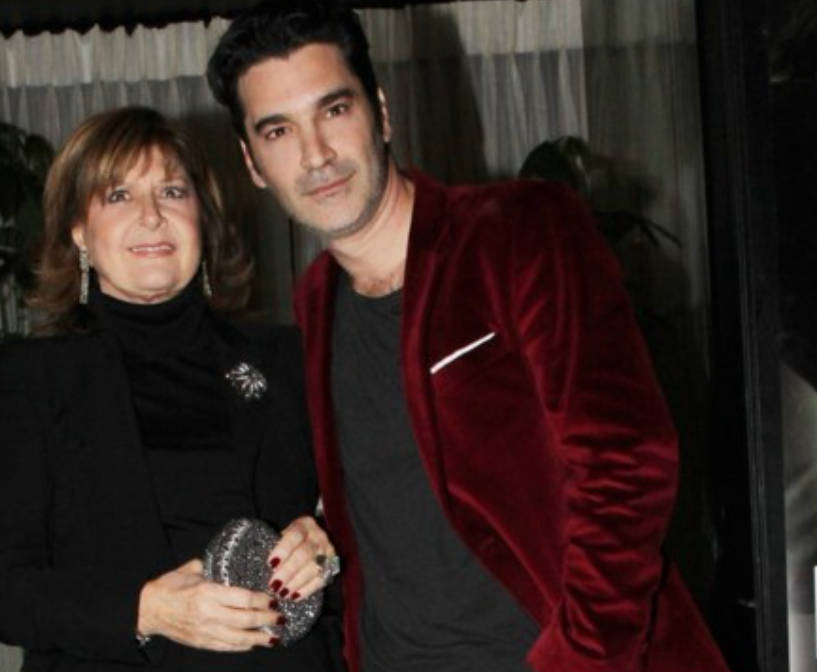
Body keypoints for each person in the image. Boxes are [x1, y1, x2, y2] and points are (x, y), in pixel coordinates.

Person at [206, 2, 732, 671]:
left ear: (381, 113)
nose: (316, 154)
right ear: (253, 163)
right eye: (279, 131)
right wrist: (321, 533)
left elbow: (627, 463)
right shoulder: (316, 301)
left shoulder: (516, 232)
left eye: (334, 110)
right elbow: (402, 483)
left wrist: (578, 662)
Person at [0, 106, 342, 672]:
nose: (151, 215)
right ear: (78, 231)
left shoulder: (289, 359)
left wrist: (325, 548)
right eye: (118, 196)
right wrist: (145, 610)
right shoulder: (29, 380)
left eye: (172, 191)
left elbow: (371, 530)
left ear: (202, 218)